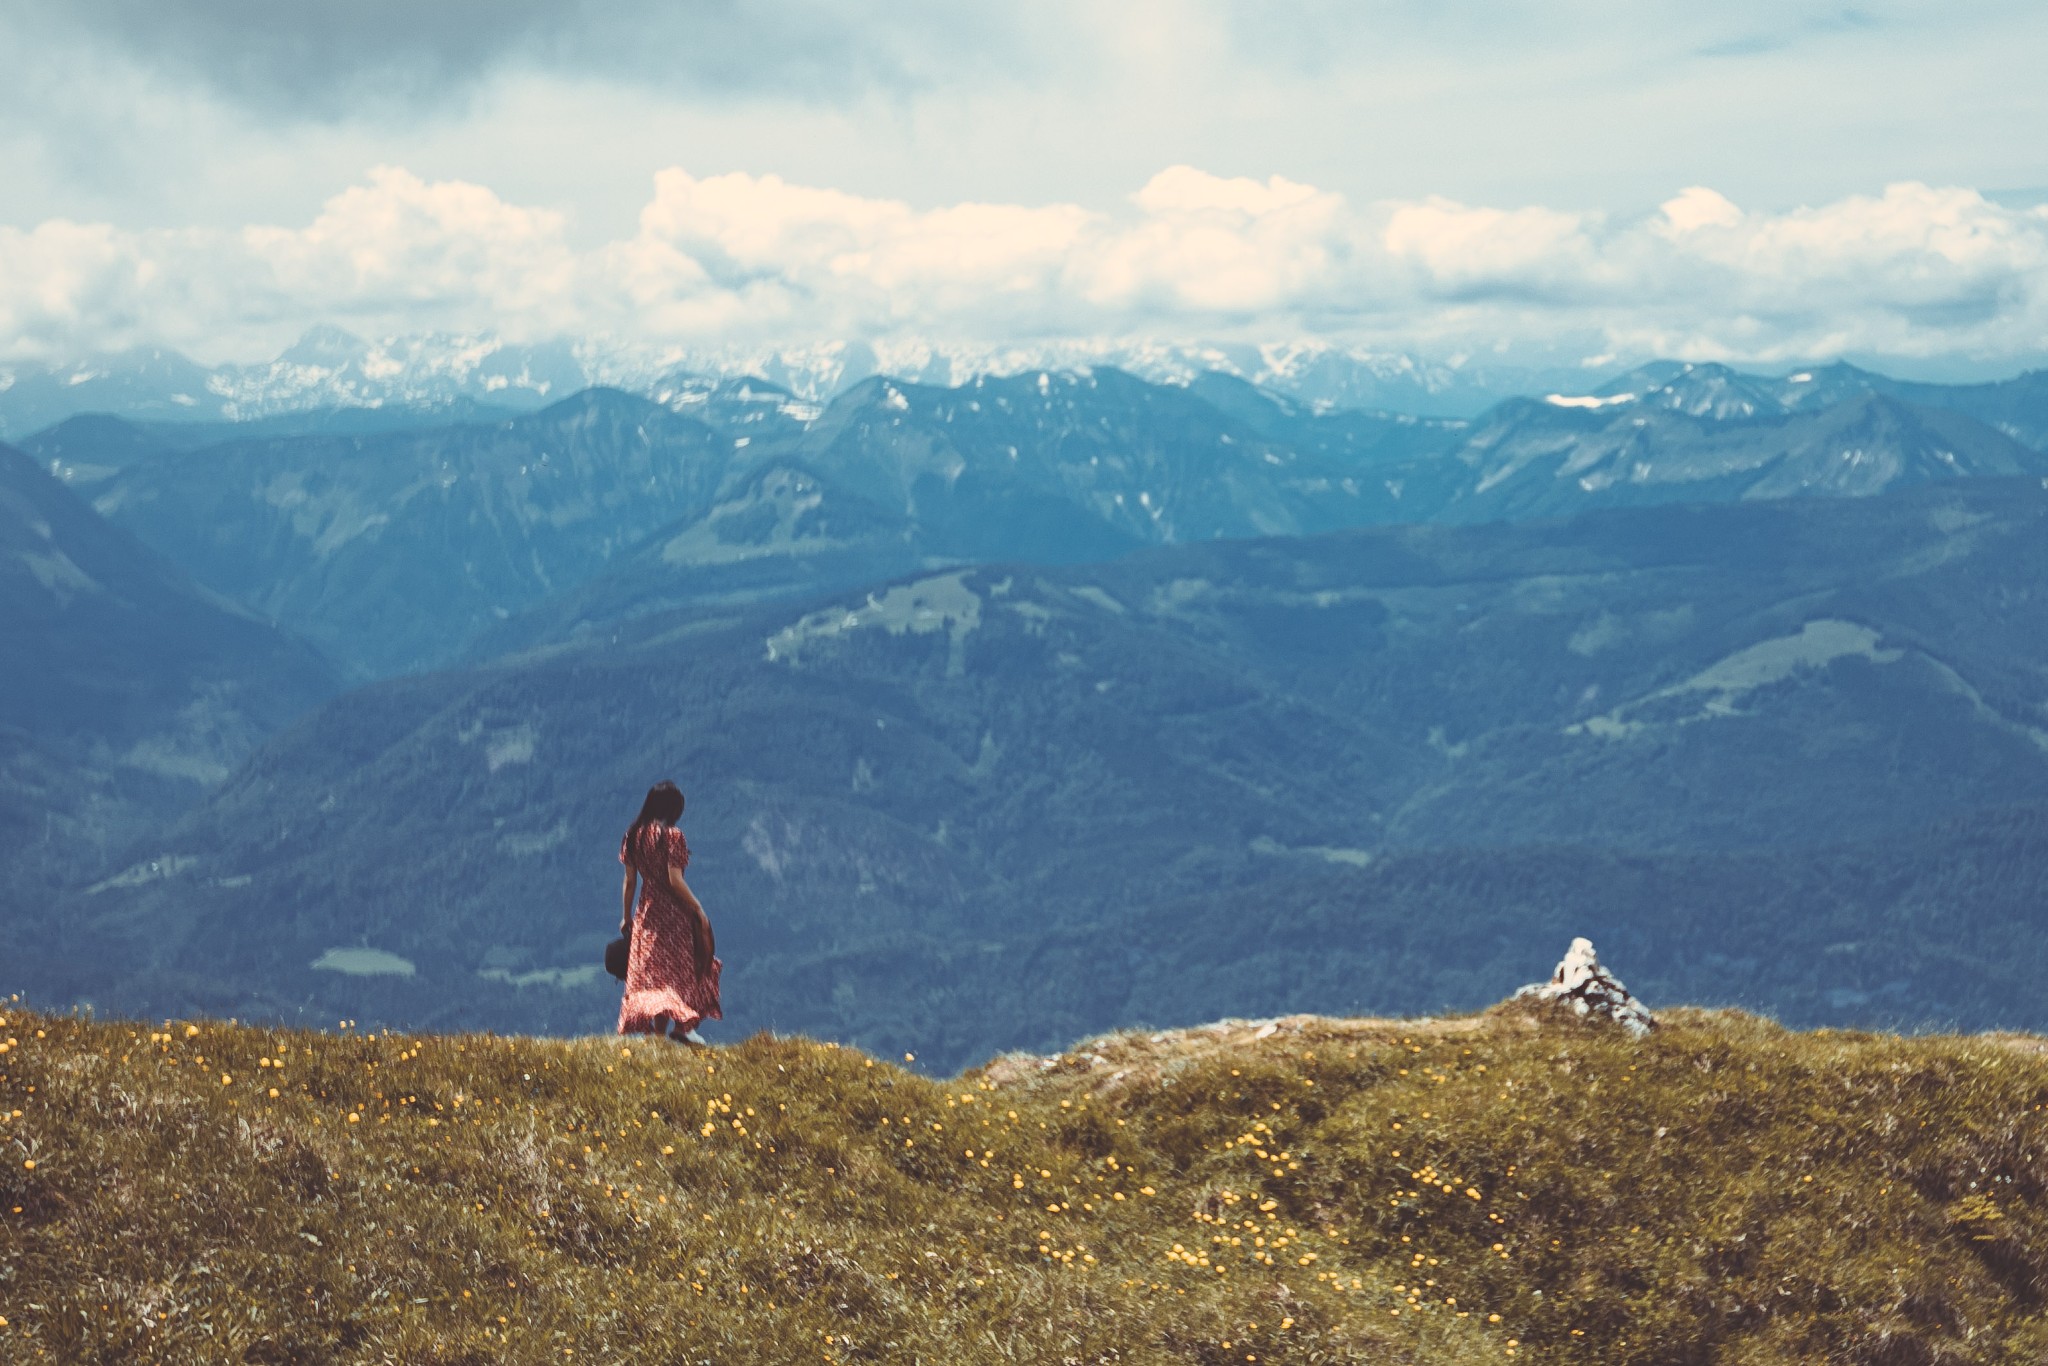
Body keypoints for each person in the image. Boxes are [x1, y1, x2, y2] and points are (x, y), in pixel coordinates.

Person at [617, 780, 721, 1045]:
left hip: (646, 913)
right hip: (673, 915)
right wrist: (697, 908)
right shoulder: (672, 836)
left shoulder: (633, 837)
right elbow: (675, 880)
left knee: (653, 975)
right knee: (679, 972)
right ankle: (683, 1027)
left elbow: (630, 882)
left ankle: (660, 1037)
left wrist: (627, 916)